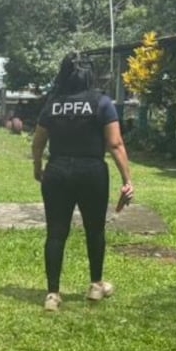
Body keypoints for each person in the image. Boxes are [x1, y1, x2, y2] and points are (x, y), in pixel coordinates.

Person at [31, 54, 134, 310]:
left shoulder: (52, 104)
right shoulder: (102, 102)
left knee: (56, 233)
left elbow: (39, 140)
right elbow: (114, 143)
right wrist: (127, 179)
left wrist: (38, 166)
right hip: (92, 171)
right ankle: (96, 285)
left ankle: (53, 294)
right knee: (95, 229)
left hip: (57, 171)